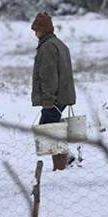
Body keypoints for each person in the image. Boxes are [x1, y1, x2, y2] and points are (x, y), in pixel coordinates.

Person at [30, 12, 76, 171]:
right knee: (50, 129)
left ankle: (62, 165)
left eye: (36, 30)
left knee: (49, 130)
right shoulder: (59, 44)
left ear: (42, 30)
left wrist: (48, 99)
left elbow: (48, 75)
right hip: (62, 96)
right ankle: (65, 159)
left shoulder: (47, 47)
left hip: (54, 98)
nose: (35, 33)